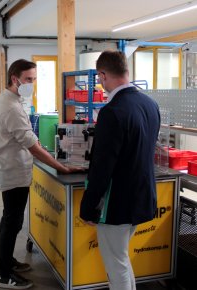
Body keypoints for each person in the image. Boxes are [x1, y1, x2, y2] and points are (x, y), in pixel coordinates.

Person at [0, 59, 83, 289]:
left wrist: (35, 141)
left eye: (34, 79)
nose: (32, 83)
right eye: (29, 79)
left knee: (9, 220)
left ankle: (7, 261)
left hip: (11, 168)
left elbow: (25, 136)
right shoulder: (11, 106)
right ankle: (4, 274)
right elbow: (32, 147)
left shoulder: (9, 99)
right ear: (15, 79)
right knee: (12, 222)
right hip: (13, 173)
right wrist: (61, 167)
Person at [80, 50, 160, 290]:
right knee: (122, 259)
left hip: (117, 204)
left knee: (116, 264)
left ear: (102, 75)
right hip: (142, 196)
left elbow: (102, 167)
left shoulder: (112, 112)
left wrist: (88, 207)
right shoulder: (150, 104)